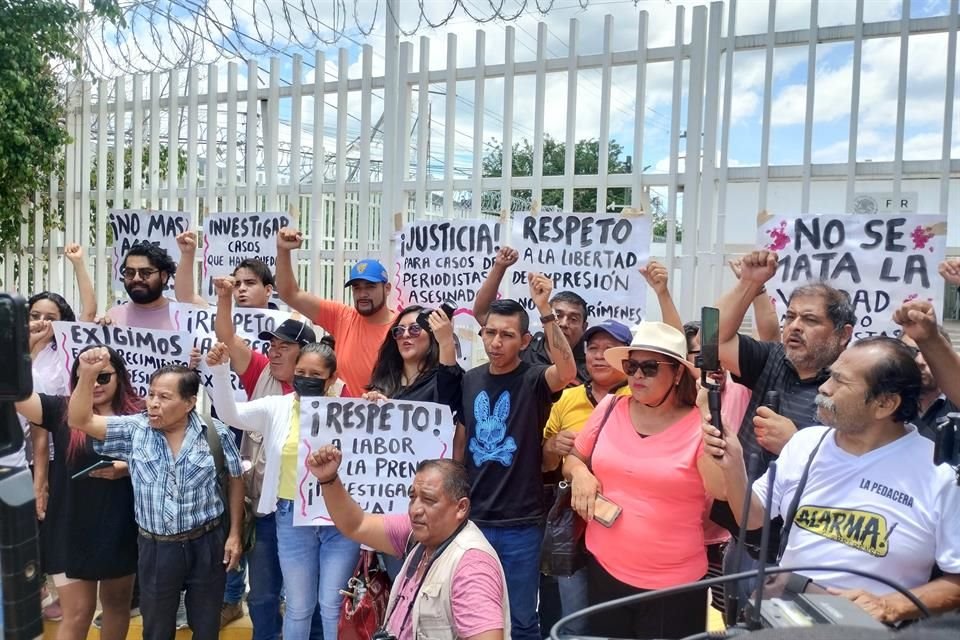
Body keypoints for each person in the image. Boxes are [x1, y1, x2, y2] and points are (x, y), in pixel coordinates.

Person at [703, 336, 960, 624]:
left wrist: (891, 606)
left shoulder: (941, 474)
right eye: (829, 377)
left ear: (885, 403)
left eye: (840, 381)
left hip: (868, 629)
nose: (824, 388)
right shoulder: (805, 443)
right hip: (783, 617)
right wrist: (733, 466)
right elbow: (752, 518)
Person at [562, 322, 724, 639]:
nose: (637, 376)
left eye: (649, 368)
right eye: (631, 365)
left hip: (674, 586)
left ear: (677, 374)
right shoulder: (610, 407)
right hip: (604, 570)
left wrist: (709, 418)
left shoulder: (698, 426)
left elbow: (719, 489)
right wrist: (580, 473)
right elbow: (573, 459)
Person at [66, 352, 244, 640]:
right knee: (157, 629)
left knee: (207, 625)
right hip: (157, 548)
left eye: (164, 396)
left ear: (188, 403)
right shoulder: (135, 430)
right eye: (150, 394)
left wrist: (234, 533)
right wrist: (86, 373)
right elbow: (80, 420)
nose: (153, 403)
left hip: (207, 543)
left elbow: (236, 479)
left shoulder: (215, 433)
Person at [205, 340, 360, 640]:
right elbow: (229, 413)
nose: (305, 377)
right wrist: (221, 371)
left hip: (340, 522)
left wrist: (379, 408)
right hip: (291, 518)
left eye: (315, 374)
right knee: (298, 607)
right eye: (300, 371)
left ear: (331, 379)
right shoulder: (275, 407)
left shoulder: (352, 412)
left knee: (332, 605)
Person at [211, 275, 330, 636]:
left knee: (307, 596)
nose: (274, 352)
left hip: (313, 514)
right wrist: (225, 298)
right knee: (262, 594)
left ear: (307, 354)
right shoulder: (261, 373)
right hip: (265, 508)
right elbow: (227, 337)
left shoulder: (336, 396)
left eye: (284, 347)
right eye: (272, 345)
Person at [461, 272, 577, 639]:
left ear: (525, 341)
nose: (496, 342)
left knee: (523, 618)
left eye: (507, 335)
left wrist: (545, 307)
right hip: (473, 519)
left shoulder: (534, 378)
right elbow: (462, 441)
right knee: (473, 614)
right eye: (490, 333)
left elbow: (569, 371)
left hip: (522, 524)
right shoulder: (470, 379)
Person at [305, 444, 510, 640]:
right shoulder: (418, 534)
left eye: (429, 500)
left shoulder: (472, 568)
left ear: (461, 508)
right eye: (413, 497)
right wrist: (328, 478)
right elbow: (356, 524)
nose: (415, 509)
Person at [14, 345, 140, 640]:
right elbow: (18, 396)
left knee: (117, 606)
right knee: (79, 612)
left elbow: (165, 456)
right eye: (84, 376)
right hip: (70, 525)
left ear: (120, 377)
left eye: (103, 377)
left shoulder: (141, 414)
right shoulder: (60, 409)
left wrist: (127, 467)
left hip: (120, 524)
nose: (95, 383)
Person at [540, 318, 632, 632]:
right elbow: (544, 465)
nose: (598, 355)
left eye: (609, 349)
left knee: (618, 625)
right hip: (573, 529)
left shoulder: (642, 399)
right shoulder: (565, 399)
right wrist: (553, 446)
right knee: (573, 623)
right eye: (593, 348)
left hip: (626, 529)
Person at [274, 226, 395, 394]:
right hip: (340, 417)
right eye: (356, 288)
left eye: (370, 286)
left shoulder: (402, 329)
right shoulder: (342, 316)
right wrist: (283, 251)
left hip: (385, 417)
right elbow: (290, 294)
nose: (362, 294)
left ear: (387, 288)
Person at [473, 246, 590, 385]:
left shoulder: (591, 364)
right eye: (557, 315)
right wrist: (499, 267)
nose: (564, 323)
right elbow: (483, 313)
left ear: (584, 327)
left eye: (573, 319)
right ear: (545, 319)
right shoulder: (524, 347)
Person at [365, 305, 463, 445]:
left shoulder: (444, 380)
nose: (405, 335)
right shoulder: (383, 382)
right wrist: (371, 405)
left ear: (432, 335)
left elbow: (448, 381)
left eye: (415, 329)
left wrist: (446, 340)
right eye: (399, 331)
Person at [174, 229, 279, 310]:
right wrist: (187, 253)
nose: (241, 289)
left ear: (268, 290)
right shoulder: (222, 315)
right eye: (236, 284)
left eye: (250, 283)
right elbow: (186, 297)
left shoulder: (285, 323)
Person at [104, 243, 178, 330]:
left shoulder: (181, 317)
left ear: (163, 276)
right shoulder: (114, 317)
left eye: (146, 273)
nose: (136, 279)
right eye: (130, 273)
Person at [900, 328, 956, 442]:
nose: (920, 361)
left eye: (929, 351)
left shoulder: (956, 404)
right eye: (911, 351)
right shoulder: (885, 408)